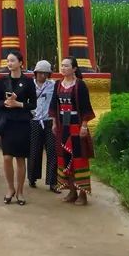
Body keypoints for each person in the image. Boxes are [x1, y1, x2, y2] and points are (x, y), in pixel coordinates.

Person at [51, 56, 95, 206]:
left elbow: (86, 107)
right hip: (63, 125)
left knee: (79, 159)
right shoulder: (58, 85)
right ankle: (72, 191)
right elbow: (53, 106)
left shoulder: (80, 85)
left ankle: (83, 194)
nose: (63, 68)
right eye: (62, 66)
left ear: (74, 69)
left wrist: (84, 125)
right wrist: (54, 123)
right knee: (65, 157)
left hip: (77, 126)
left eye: (66, 66)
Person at [0, 50, 37, 205]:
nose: (9, 63)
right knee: (7, 158)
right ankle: (10, 188)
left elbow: (33, 104)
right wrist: (6, 103)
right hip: (7, 123)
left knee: (20, 159)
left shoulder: (28, 82)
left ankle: (20, 191)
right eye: (8, 61)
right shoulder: (3, 81)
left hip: (22, 122)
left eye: (13, 60)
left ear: (21, 63)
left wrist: (18, 104)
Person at [29, 60, 60, 193]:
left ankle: (53, 182)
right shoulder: (30, 85)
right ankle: (32, 178)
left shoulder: (53, 86)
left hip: (49, 121)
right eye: (40, 72)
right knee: (34, 150)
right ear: (35, 73)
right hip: (34, 120)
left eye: (45, 73)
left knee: (52, 151)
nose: (42, 75)